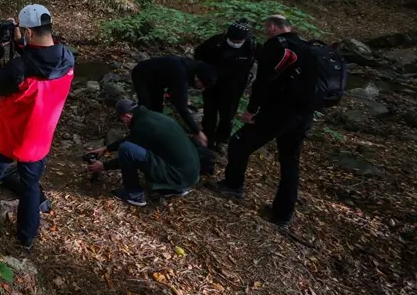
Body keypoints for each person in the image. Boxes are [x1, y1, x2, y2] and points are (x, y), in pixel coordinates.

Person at [0, 5, 75, 248]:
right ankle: (27, 237)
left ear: (28, 31)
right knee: (30, 187)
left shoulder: (19, 69)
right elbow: (40, 60)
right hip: (39, 139)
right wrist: (21, 42)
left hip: (7, 136)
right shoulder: (67, 58)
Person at [209, 15, 318, 227]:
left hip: (279, 111)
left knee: (239, 142)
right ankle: (283, 214)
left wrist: (251, 110)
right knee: (290, 162)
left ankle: (233, 185)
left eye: (267, 28)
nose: (266, 32)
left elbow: (264, 81)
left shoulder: (277, 46)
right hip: (304, 115)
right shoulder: (308, 48)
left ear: (273, 27)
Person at [86, 99, 200, 206]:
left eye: (122, 120)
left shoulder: (142, 126)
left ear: (127, 117)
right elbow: (133, 138)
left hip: (179, 175)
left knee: (126, 149)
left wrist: (104, 166)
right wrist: (106, 148)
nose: (123, 123)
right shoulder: (151, 117)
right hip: (191, 174)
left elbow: (128, 151)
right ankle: (174, 188)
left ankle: (134, 195)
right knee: (134, 148)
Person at [194, 19, 257, 154]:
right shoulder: (216, 42)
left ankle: (222, 140)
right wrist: (203, 74)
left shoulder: (252, 46)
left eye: (238, 42)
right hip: (212, 84)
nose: (234, 43)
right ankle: (207, 139)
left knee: (227, 116)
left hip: (234, 88)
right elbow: (198, 54)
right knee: (209, 113)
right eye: (232, 40)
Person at [130, 56, 217, 146]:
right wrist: (197, 131)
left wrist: (173, 95)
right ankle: (134, 130)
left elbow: (174, 81)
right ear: (197, 78)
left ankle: (152, 134)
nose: (202, 89)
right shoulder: (182, 74)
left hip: (157, 80)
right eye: (202, 86)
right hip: (142, 74)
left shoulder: (191, 68)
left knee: (157, 111)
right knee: (146, 107)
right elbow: (182, 109)